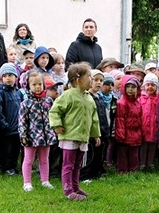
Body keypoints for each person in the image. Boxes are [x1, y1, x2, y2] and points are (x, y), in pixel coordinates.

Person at [48, 63, 101, 200]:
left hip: (83, 137)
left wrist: (95, 134)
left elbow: (94, 118)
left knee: (78, 165)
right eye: (89, 76)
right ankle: (68, 191)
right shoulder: (68, 96)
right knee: (68, 165)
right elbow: (54, 111)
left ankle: (76, 187)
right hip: (69, 136)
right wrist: (57, 125)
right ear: (78, 80)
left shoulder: (89, 98)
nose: (92, 79)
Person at [18, 71, 57, 192]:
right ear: (28, 86)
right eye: (34, 84)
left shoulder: (48, 101)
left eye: (40, 84)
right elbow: (22, 120)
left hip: (46, 135)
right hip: (31, 135)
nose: (37, 87)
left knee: (44, 159)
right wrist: (23, 135)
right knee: (28, 159)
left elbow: (53, 116)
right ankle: (27, 182)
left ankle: (45, 180)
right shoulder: (25, 103)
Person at [0, 63, 23, 175]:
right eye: (5, 76)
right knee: (7, 149)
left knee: (16, 149)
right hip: (6, 129)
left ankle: (14, 166)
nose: (8, 78)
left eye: (10, 75)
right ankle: (6, 167)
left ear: (15, 76)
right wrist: (4, 125)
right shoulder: (0, 93)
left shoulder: (18, 92)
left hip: (17, 127)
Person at [115, 75, 143, 173]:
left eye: (133, 87)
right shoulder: (122, 103)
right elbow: (120, 119)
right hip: (125, 132)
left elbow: (140, 117)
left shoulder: (137, 102)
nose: (130, 90)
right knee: (123, 153)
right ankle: (122, 170)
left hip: (135, 132)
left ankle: (133, 169)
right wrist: (121, 134)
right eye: (128, 87)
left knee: (134, 153)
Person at [139, 73, 159, 171]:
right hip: (144, 125)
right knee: (144, 145)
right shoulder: (140, 97)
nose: (150, 87)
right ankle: (142, 164)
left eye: (152, 85)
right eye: (148, 85)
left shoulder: (158, 98)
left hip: (154, 126)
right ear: (144, 86)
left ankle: (150, 163)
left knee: (152, 146)